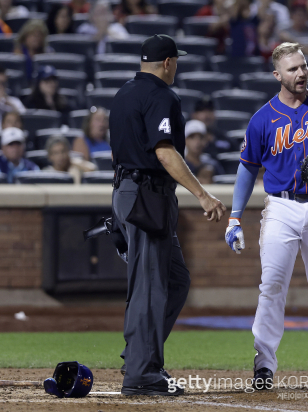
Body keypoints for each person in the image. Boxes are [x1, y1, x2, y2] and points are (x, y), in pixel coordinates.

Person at [224, 42, 308, 390]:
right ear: (277, 75)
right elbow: (246, 169)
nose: (300, 73)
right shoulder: (262, 119)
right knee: (271, 285)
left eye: (303, 67)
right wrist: (235, 217)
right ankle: (264, 365)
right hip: (280, 205)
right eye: (292, 69)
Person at [110, 34, 225, 396]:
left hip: (130, 191)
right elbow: (164, 152)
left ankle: (140, 355)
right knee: (150, 287)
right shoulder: (162, 96)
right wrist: (203, 194)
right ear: (168, 62)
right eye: (176, 60)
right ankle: (142, 373)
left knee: (174, 280)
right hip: (147, 195)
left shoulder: (123, 93)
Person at [279, 1, 308, 68]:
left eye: (304, 14)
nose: (301, 17)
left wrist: (291, 41)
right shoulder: (284, 31)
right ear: (291, 15)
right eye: (298, 14)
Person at [184, 119, 224, 183]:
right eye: (192, 137)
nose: (197, 142)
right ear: (185, 140)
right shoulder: (179, 164)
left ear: (206, 140)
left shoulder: (213, 164)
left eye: (201, 137)